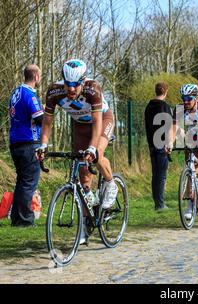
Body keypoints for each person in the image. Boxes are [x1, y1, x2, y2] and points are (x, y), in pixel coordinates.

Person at [38, 59, 118, 242]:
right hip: (80, 126)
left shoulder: (93, 88)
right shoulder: (54, 91)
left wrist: (92, 148)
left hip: (102, 121)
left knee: (96, 155)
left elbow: (98, 121)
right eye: (68, 85)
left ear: (83, 81)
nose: (71, 89)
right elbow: (47, 121)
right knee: (83, 177)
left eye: (75, 85)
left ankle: (110, 183)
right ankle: (85, 222)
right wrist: (43, 145)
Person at [167, 84, 198, 220]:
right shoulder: (179, 109)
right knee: (190, 170)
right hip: (192, 136)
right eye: (184, 98)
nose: (186, 101)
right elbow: (173, 127)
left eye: (189, 98)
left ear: (196, 98)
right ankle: (190, 205)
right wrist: (170, 143)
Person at [8, 65, 44, 227]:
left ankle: (16, 218)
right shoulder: (30, 95)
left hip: (15, 142)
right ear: (36, 76)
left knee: (22, 182)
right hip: (29, 142)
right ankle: (26, 220)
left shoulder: (15, 93)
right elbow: (39, 118)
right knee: (29, 183)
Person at [144, 82, 173, 211]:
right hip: (162, 145)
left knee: (155, 174)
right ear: (166, 92)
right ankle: (160, 204)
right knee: (161, 175)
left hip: (151, 143)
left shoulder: (149, 106)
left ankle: (157, 202)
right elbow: (168, 127)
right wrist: (169, 143)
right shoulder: (165, 106)